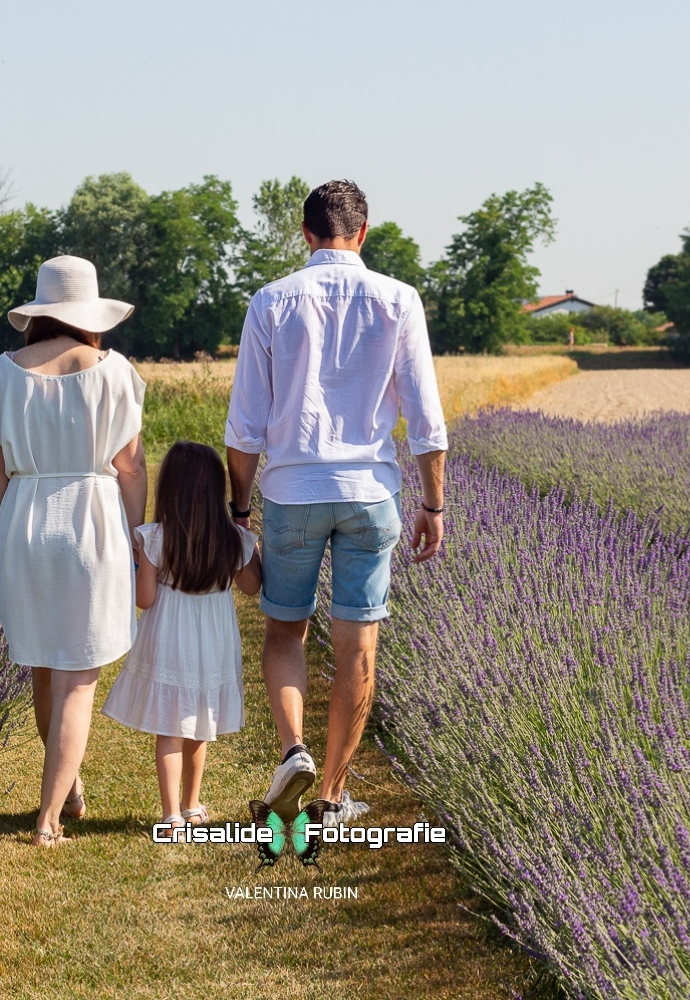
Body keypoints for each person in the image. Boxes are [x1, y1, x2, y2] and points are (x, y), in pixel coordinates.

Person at [224, 179, 448, 825]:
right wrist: (433, 506)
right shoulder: (400, 299)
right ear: (364, 231)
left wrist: (240, 509)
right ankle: (330, 796)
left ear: (306, 234)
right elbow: (426, 421)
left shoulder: (271, 300)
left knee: (284, 631)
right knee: (358, 646)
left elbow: (245, 426)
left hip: (292, 490)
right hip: (369, 492)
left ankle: (294, 750)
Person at [0, 255, 147, 847]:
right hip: (92, 519)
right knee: (77, 678)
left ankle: (65, 789)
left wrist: (16, 521)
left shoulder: (0, 373)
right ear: (90, 313)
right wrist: (133, 533)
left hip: (25, 518)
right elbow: (131, 466)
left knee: (44, 670)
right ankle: (47, 820)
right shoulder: (114, 371)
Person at [101, 441, 262, 832]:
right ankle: (192, 805)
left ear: (168, 490)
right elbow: (252, 586)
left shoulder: (157, 537)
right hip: (214, 638)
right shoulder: (233, 540)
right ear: (216, 492)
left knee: (170, 725)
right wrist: (249, 538)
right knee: (199, 721)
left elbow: (144, 599)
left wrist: (140, 563)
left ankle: (171, 813)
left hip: (171, 634)